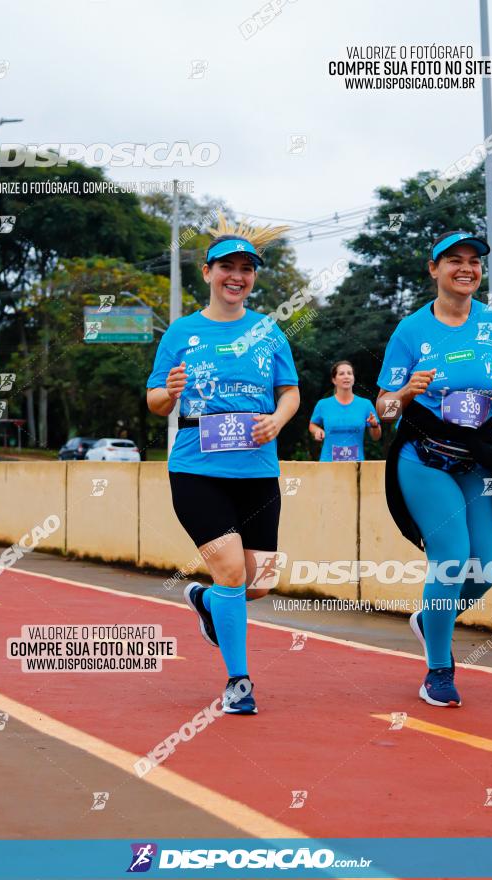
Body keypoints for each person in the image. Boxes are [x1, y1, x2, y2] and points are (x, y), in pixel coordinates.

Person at [146, 215, 300, 715]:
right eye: (227, 267)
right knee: (231, 570)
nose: (237, 276)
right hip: (196, 468)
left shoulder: (269, 331)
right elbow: (153, 398)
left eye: (247, 269)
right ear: (208, 272)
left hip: (258, 470)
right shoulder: (183, 332)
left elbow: (291, 392)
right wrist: (166, 395)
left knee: (256, 584)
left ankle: (208, 603)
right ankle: (239, 682)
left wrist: (277, 420)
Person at [376, 230, 492, 707]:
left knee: (488, 566)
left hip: (476, 460)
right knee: (452, 558)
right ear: (433, 269)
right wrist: (403, 395)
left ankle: (430, 619)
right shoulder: (410, 331)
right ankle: (438, 669)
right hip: (425, 458)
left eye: (474, 260)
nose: (466, 268)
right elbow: (384, 410)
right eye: (453, 260)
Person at [309, 360, 381, 461]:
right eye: (341, 374)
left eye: (349, 373)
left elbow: (376, 437)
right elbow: (312, 425)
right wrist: (317, 430)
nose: (346, 376)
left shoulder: (366, 405)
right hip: (328, 466)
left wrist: (374, 425)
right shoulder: (323, 404)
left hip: (356, 466)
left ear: (353, 379)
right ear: (334, 380)